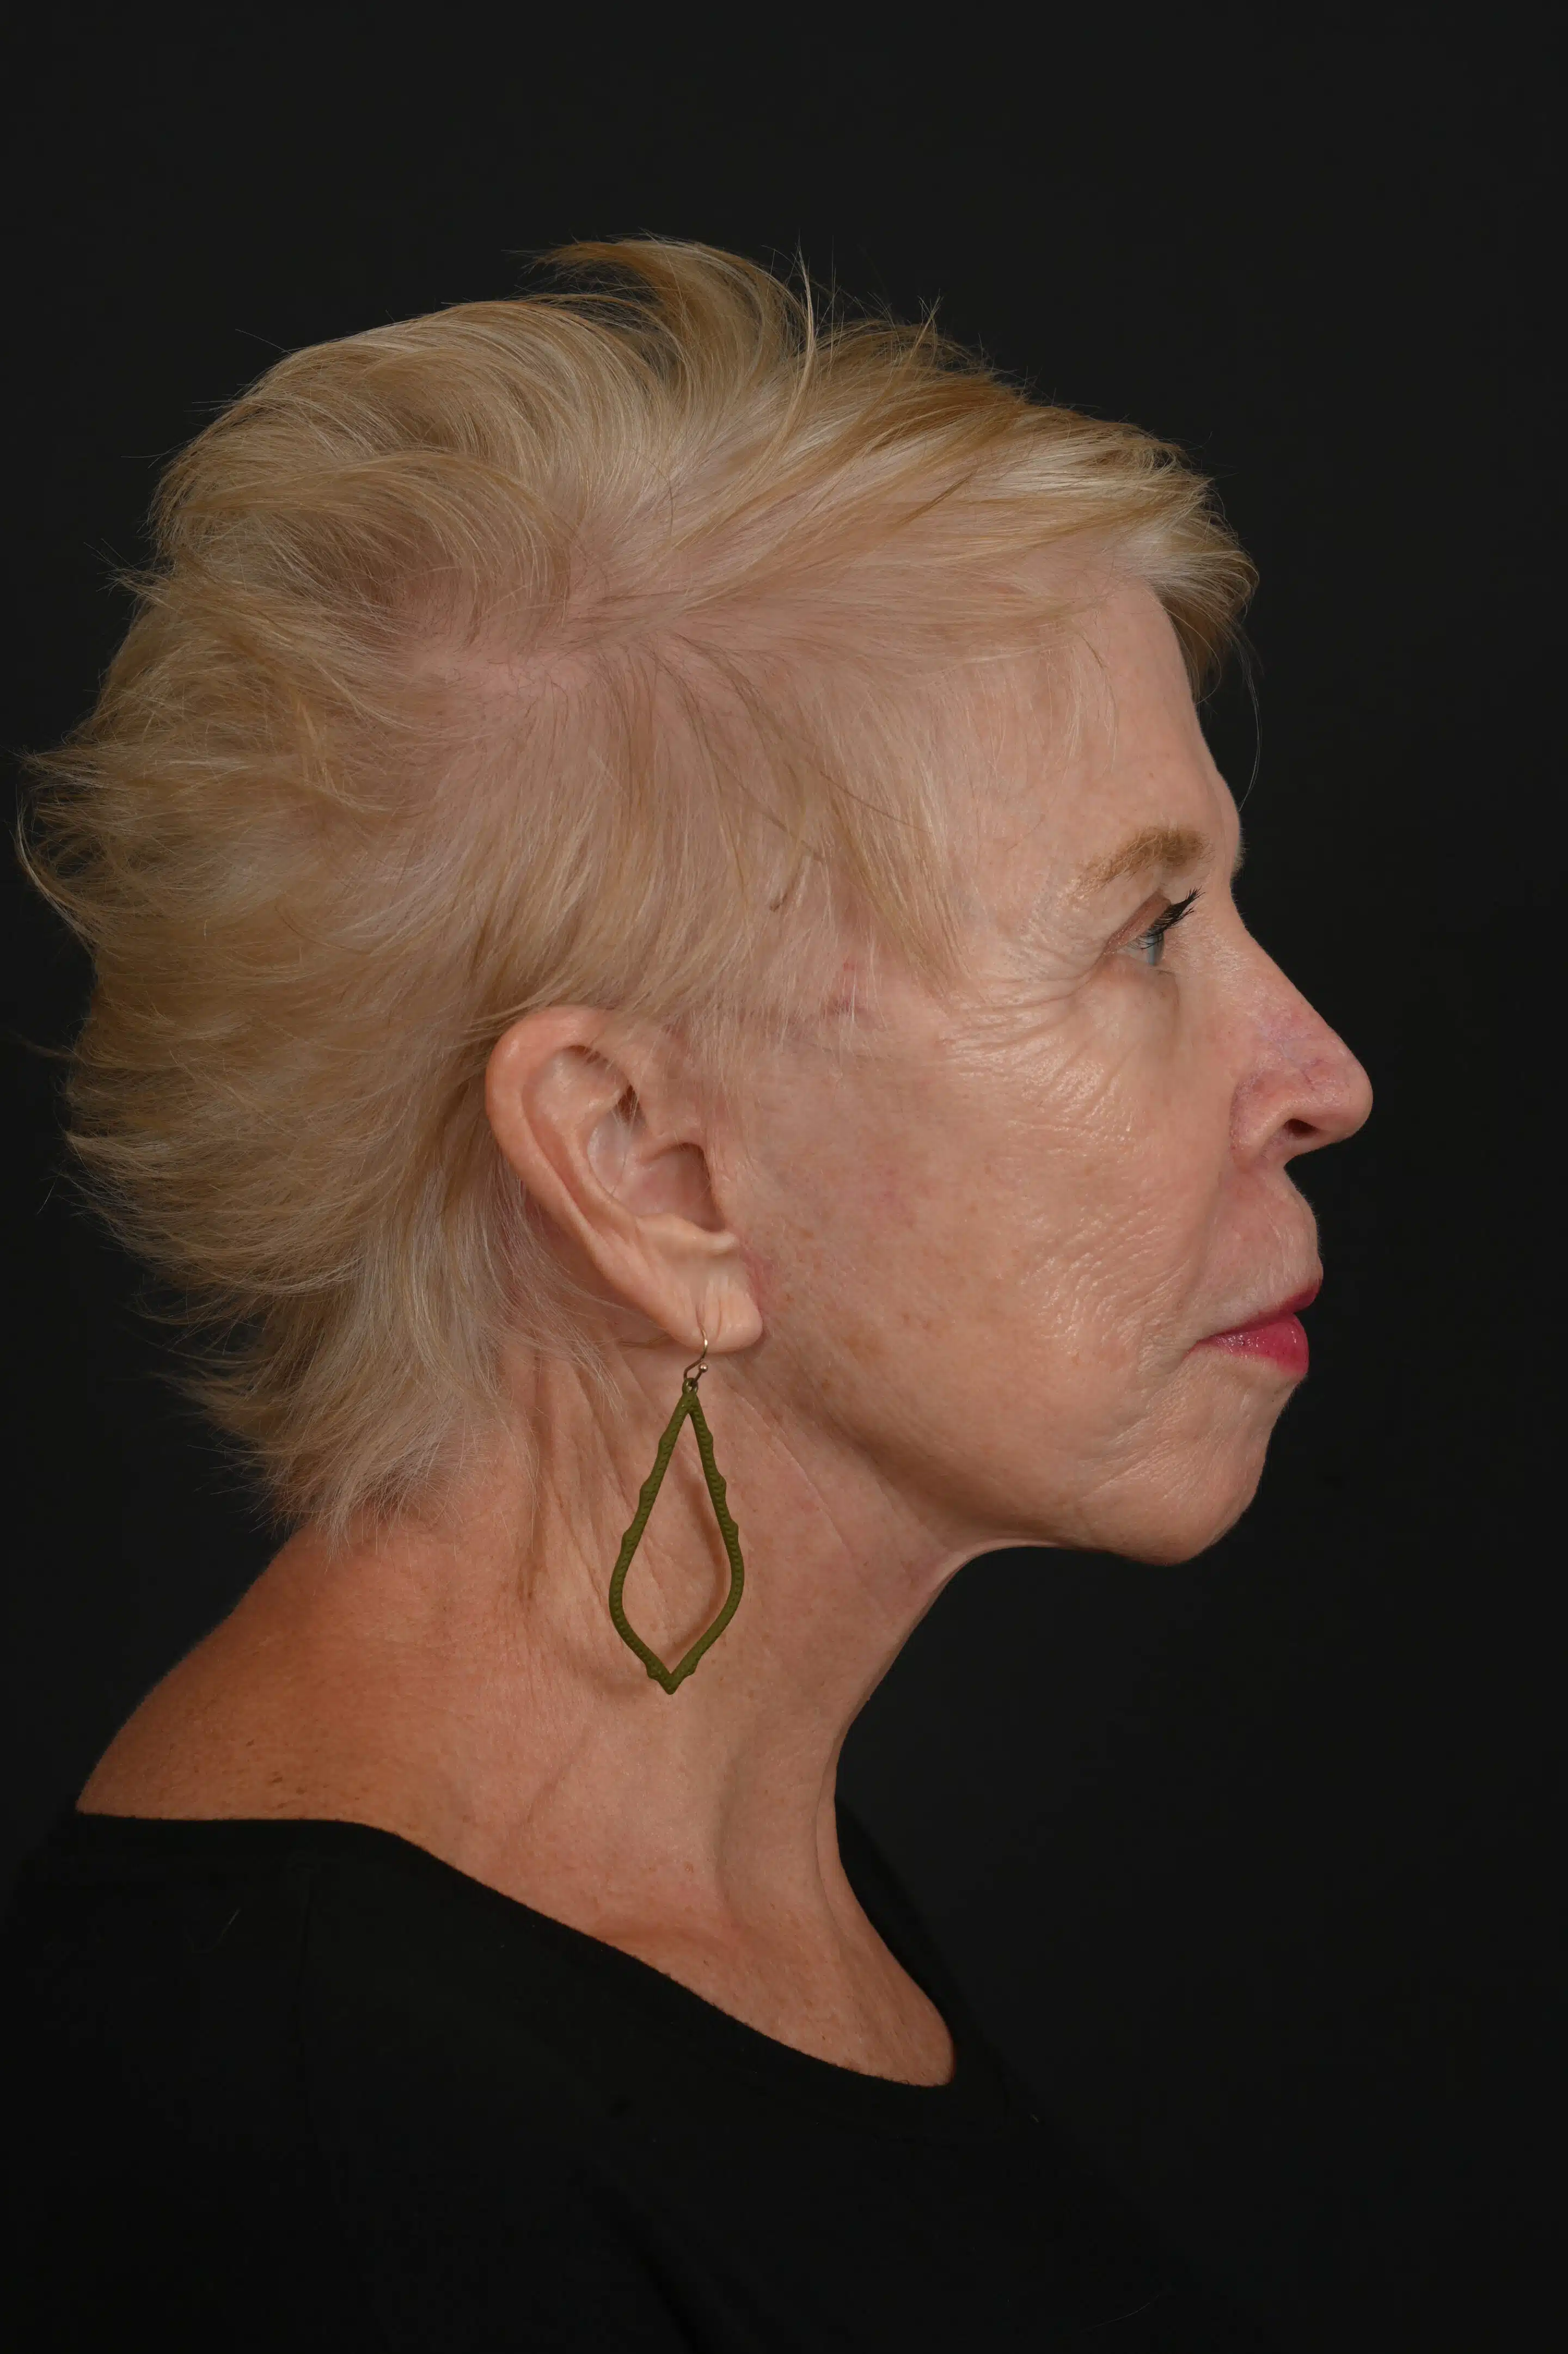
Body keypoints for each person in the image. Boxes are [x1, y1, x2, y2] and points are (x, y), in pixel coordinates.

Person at [2, 240, 1369, 2349]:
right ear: (649, 1166)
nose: (1321, 1077)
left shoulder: (707, 1890)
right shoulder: (333, 2182)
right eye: (1147, 933)